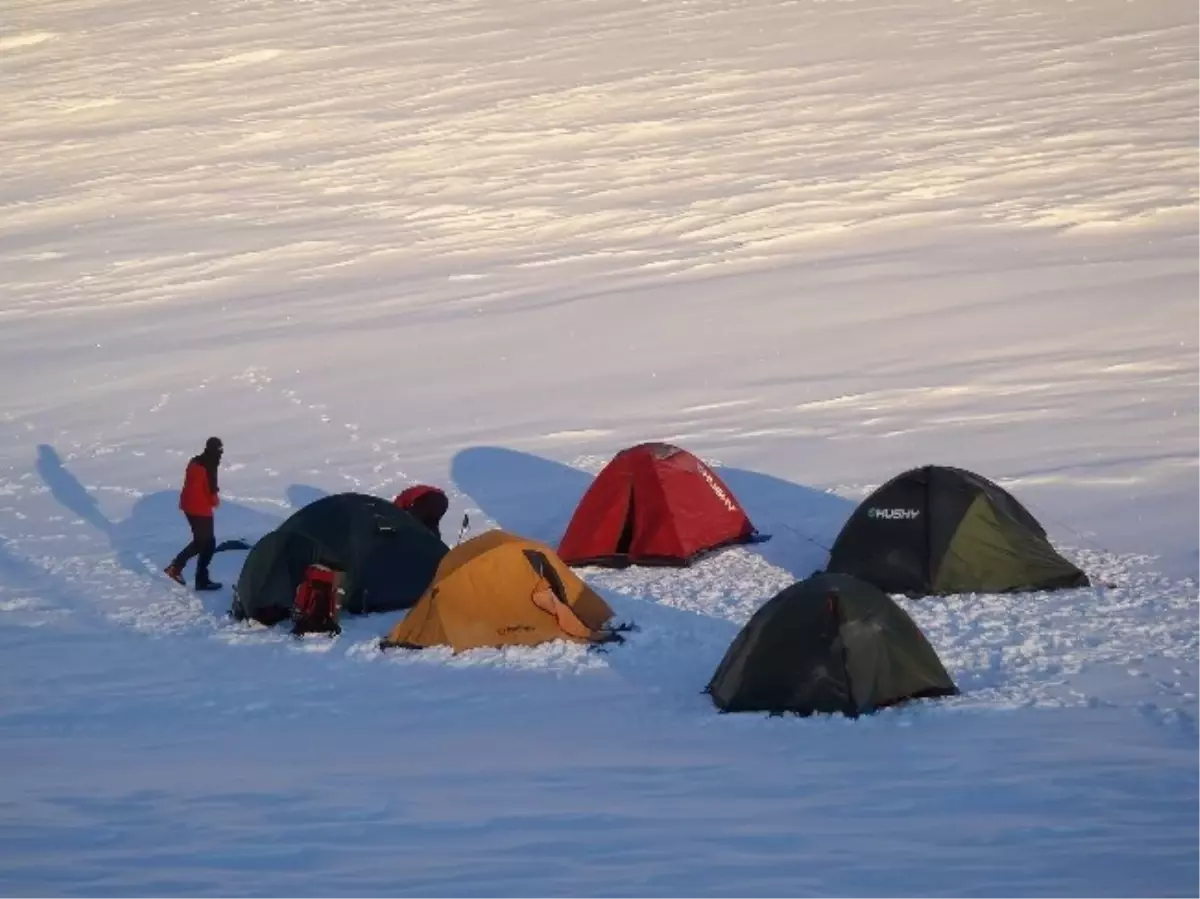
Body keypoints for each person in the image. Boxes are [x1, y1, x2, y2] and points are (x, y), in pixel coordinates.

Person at [164, 437, 224, 590]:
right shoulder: (210, 466)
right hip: (200, 509)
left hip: (188, 506)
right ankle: (196, 577)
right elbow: (211, 492)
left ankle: (178, 568)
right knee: (207, 544)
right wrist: (216, 501)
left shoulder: (195, 461)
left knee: (201, 542)